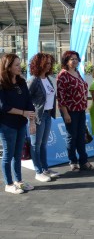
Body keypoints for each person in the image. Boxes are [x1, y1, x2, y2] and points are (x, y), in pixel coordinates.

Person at [0, 53, 35, 194]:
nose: (20, 67)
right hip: (7, 125)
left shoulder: (21, 82)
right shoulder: (2, 84)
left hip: (21, 124)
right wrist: (22, 113)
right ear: (7, 67)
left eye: (20, 64)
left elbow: (28, 102)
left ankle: (19, 181)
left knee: (18, 154)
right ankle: (8, 184)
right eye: (16, 65)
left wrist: (31, 121)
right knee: (8, 155)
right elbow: (3, 106)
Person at [57, 51, 93, 171]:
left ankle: (84, 160)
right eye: (72, 59)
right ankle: (73, 160)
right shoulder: (63, 75)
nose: (75, 61)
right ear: (66, 61)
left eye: (76, 59)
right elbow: (61, 97)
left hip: (81, 109)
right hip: (70, 110)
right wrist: (65, 113)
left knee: (81, 135)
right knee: (72, 136)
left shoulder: (77, 72)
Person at [28, 52, 59, 182]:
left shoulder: (48, 78)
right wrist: (31, 120)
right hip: (38, 116)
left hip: (47, 114)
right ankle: (38, 171)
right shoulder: (34, 80)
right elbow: (26, 99)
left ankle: (45, 168)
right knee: (36, 144)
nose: (49, 65)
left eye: (50, 63)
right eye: (46, 63)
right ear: (38, 64)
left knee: (44, 144)